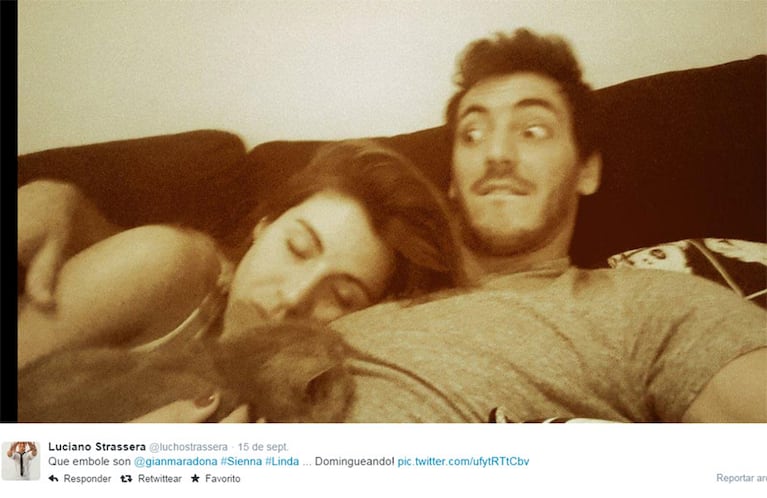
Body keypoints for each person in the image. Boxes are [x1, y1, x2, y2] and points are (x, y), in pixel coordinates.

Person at [325, 28, 766, 423]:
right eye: (473, 134)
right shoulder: (353, 306)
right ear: (453, 182)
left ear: (587, 171)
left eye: (532, 130)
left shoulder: (653, 308)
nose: (496, 153)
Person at [17, 139, 464, 420]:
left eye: (343, 296)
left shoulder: (292, 391)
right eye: (297, 247)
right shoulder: (166, 263)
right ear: (263, 226)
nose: (294, 296)